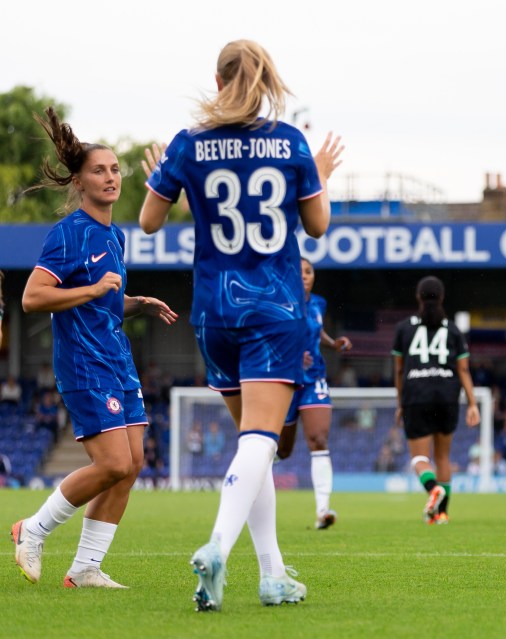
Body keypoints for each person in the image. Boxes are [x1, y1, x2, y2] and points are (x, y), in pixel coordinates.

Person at [139, 39, 343, 612]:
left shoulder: (188, 144)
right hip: (274, 311)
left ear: (217, 78)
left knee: (252, 445)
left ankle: (273, 574)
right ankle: (218, 545)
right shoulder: (289, 142)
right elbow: (319, 225)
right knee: (261, 440)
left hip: (213, 312)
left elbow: (150, 222)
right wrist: (320, 174)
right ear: (268, 78)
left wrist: (168, 177)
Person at [12, 107, 177, 589]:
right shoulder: (69, 234)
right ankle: (31, 530)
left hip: (117, 359)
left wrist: (136, 304)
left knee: (133, 465)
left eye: (113, 170)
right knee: (112, 464)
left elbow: (103, 298)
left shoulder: (113, 236)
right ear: (79, 183)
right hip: (84, 363)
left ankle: (85, 568)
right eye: (98, 171)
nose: (110, 177)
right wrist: (90, 290)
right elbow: (33, 297)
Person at [392, 276, 480, 524]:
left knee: (420, 459)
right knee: (443, 457)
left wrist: (401, 403)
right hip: (447, 396)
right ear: (442, 298)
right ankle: (442, 513)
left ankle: (433, 490)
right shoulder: (453, 329)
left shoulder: (403, 328)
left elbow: (399, 370)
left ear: (418, 297)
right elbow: (463, 370)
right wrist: (472, 403)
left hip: (416, 395)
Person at [276, 257, 352, 530]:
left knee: (319, 439)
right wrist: (292, 356)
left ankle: (323, 511)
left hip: (314, 379)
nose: (304, 275)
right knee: (280, 450)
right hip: (285, 379)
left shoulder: (318, 303)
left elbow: (316, 331)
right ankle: (250, 478)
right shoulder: (279, 302)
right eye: (299, 271)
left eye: (309, 271)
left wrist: (333, 343)